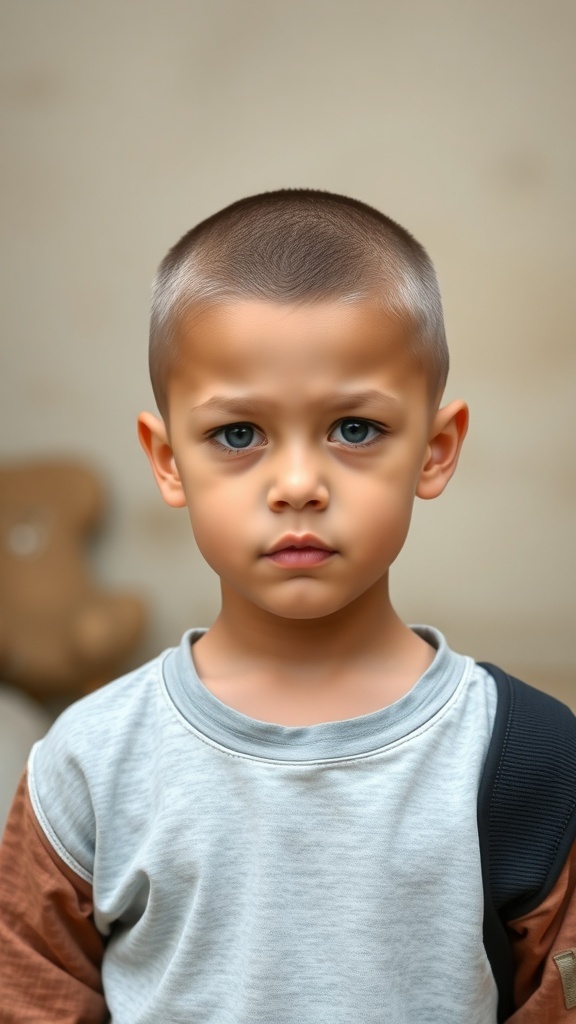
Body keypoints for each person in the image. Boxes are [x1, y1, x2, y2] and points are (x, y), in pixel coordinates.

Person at [0, 190, 573, 1023]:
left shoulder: (531, 759)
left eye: (354, 429)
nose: (298, 485)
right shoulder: (88, 765)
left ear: (435, 449)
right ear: (168, 460)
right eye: (238, 434)